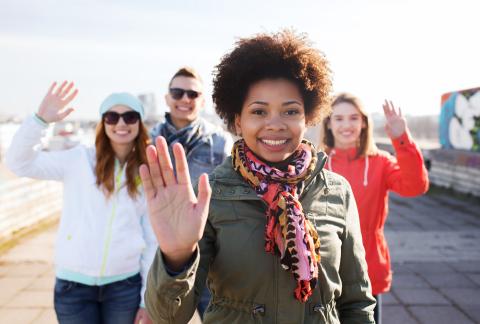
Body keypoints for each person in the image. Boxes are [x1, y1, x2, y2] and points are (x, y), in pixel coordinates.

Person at [142, 30, 376, 323]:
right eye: (259, 112)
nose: (275, 124)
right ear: (238, 120)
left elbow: (357, 303)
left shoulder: (336, 191)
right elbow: (168, 316)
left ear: (309, 117)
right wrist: (176, 257)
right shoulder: (213, 193)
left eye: (290, 111)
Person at [6, 82, 157, 324]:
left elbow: (152, 238)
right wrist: (40, 121)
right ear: (103, 122)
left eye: (130, 116)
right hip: (73, 288)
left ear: (140, 123)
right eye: (112, 117)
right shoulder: (78, 160)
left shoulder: (148, 170)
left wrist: (146, 299)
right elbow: (18, 163)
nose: (121, 124)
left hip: (124, 286)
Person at [320, 93, 429, 323]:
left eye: (353, 118)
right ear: (328, 123)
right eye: (339, 119)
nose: (346, 125)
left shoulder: (380, 161)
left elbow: (416, 186)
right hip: (323, 267)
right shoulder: (316, 163)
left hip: (368, 265)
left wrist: (402, 138)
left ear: (363, 122)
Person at [149, 67, 233, 318]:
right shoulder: (148, 141)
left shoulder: (220, 141)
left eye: (193, 94)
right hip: (163, 254)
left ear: (202, 100)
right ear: (167, 98)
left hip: (212, 255)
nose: (185, 99)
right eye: (177, 92)